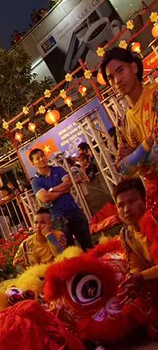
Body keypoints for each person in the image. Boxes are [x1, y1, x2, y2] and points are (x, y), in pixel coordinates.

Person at [103, 47, 158, 215]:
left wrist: (136, 156)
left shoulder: (155, 95)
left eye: (121, 70)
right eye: (111, 78)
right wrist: (149, 142)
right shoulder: (122, 124)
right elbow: (123, 169)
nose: (117, 80)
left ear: (134, 67)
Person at [29, 147, 93, 251]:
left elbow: (68, 183)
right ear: (33, 163)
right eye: (37, 158)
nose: (41, 159)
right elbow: (45, 198)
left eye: (42, 156)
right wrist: (62, 191)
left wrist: (51, 190)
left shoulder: (58, 169)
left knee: (88, 245)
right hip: (58, 218)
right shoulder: (36, 182)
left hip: (74, 210)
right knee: (69, 250)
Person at [114, 177, 158, 300]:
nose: (127, 209)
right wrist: (132, 278)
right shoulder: (126, 234)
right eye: (121, 205)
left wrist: (141, 277)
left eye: (132, 201)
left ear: (145, 200)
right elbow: (136, 265)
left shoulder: (155, 221)